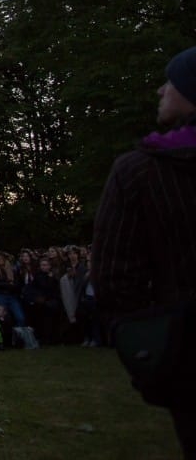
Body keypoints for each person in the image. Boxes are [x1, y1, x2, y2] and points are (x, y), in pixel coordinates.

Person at [93, 45, 196, 457]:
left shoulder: (141, 171)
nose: (160, 90)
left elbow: (115, 280)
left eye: (171, 81)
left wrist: (153, 349)